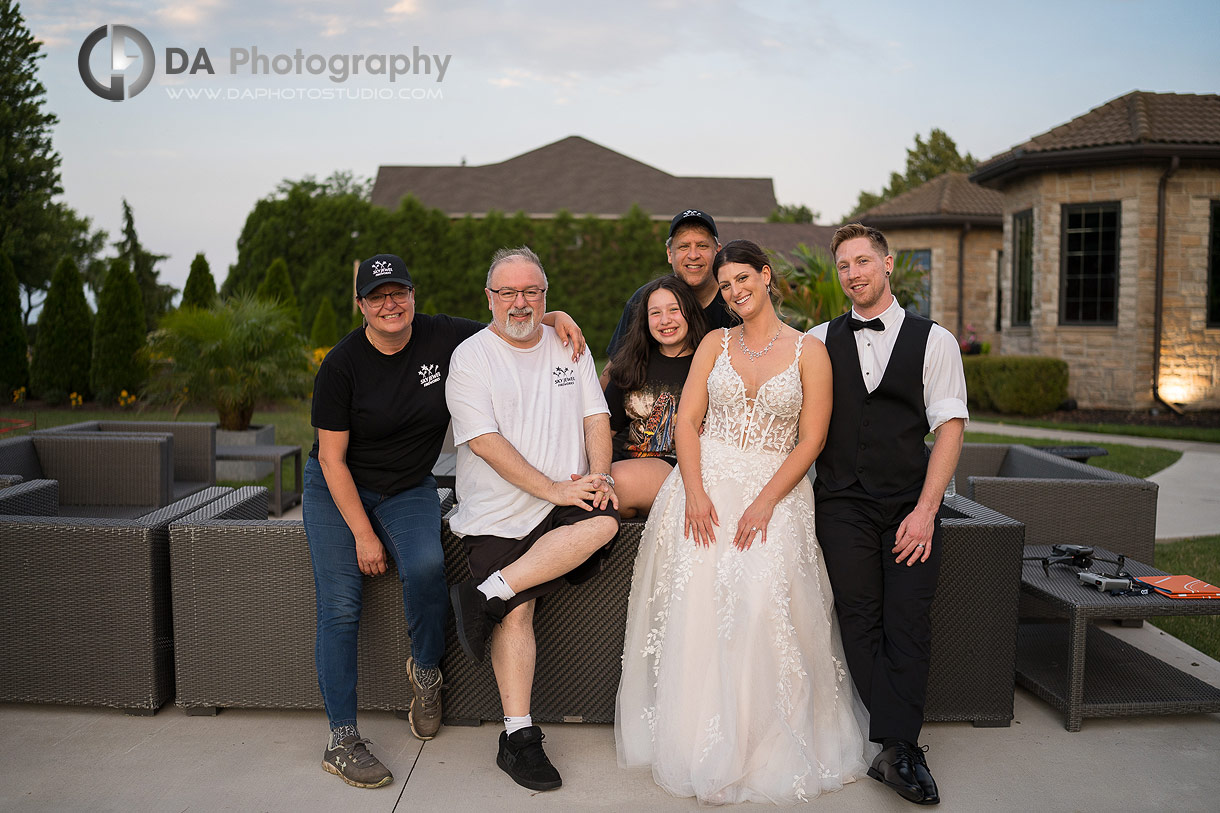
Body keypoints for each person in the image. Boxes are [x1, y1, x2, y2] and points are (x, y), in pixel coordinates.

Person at [305, 253, 585, 789]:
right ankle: (342, 739)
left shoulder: (440, 337)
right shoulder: (341, 365)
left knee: (429, 568)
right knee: (341, 606)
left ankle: (427, 674)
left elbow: (510, 316)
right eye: (378, 296)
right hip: (337, 486)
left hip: (409, 486)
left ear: (413, 296)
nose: (391, 304)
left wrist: (556, 317)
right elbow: (332, 459)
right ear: (360, 305)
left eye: (399, 292)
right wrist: (363, 533)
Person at [616, 239, 872, 805]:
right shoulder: (714, 341)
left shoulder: (810, 352)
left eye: (742, 279)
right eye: (725, 285)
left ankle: (762, 742)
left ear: (766, 275)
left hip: (776, 491)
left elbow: (812, 440)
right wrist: (696, 493)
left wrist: (765, 501)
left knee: (760, 601)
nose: (734, 292)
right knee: (701, 600)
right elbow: (687, 423)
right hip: (704, 483)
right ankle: (699, 740)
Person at [445, 246, 621, 793]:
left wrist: (601, 476)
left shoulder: (569, 343)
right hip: (497, 511)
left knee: (607, 522)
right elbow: (486, 444)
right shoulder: (470, 358)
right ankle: (518, 738)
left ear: (546, 295)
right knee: (517, 618)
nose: (520, 304)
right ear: (489, 298)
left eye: (532, 292)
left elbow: (596, 415)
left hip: (564, 497)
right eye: (508, 293)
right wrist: (553, 487)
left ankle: (483, 594)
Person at [808, 223, 968, 806]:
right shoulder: (818, 338)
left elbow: (949, 429)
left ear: (887, 263)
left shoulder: (935, 340)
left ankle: (895, 748)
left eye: (862, 262)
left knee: (909, 617)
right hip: (843, 501)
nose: (853, 274)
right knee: (858, 615)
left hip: (910, 503)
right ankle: (902, 747)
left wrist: (926, 511)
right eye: (844, 265)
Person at [604, 275, 708, 518]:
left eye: (674, 310)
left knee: (613, 482)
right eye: (655, 313)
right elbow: (604, 429)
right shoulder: (631, 363)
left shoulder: (708, 362)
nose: (665, 321)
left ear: (690, 313)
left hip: (678, 467)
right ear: (645, 320)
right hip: (628, 460)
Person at [601, 208, 737, 386]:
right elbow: (614, 368)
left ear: (717, 251)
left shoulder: (734, 300)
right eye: (683, 246)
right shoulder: (645, 299)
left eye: (702, 246)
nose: (693, 255)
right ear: (669, 254)